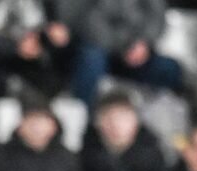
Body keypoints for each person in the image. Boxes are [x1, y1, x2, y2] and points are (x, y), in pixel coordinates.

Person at [56, 0, 184, 109]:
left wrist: (143, 43)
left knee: (170, 68)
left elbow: (157, 17)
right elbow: (89, 23)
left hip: (140, 52)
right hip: (101, 50)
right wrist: (122, 48)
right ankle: (84, 116)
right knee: (90, 60)